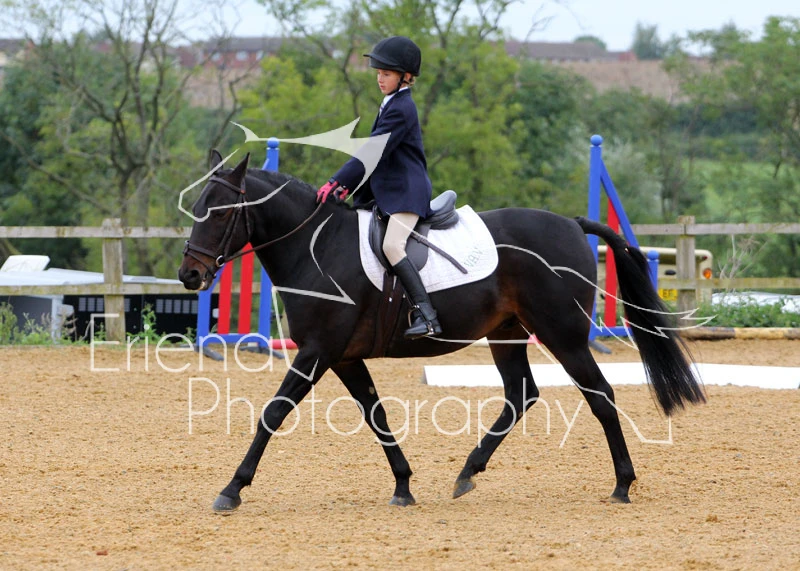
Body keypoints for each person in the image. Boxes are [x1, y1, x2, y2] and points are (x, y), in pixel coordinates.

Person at [316, 36, 441, 339]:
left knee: (391, 246)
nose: (379, 79)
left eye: (386, 74)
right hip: (388, 192)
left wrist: (338, 181)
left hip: (406, 193)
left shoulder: (402, 108)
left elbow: (373, 152)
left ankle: (427, 315)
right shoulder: (391, 103)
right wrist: (347, 188)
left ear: (405, 77)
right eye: (378, 73)